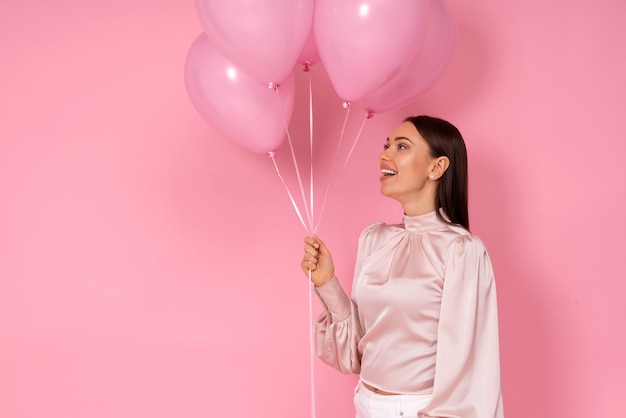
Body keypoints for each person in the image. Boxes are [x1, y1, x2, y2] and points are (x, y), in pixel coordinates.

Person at [301, 115, 504, 418]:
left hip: (418, 411)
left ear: (437, 167)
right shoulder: (375, 239)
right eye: (387, 145)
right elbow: (357, 348)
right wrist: (327, 283)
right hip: (365, 404)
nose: (384, 154)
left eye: (401, 146)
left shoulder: (460, 250)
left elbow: (469, 367)